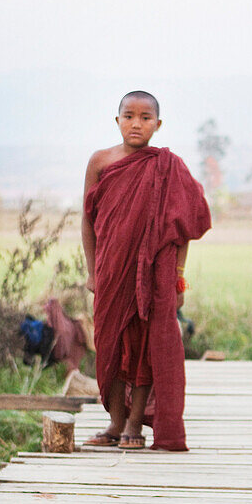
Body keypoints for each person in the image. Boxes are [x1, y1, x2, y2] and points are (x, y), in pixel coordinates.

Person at [82, 90, 211, 451]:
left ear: (158, 124)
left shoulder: (168, 166)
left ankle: (134, 426)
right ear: (117, 119)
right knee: (109, 345)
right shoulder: (100, 162)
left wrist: (178, 277)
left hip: (153, 277)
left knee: (143, 349)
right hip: (111, 271)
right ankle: (114, 423)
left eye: (144, 117)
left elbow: (188, 225)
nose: (136, 124)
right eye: (128, 116)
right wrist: (92, 271)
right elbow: (87, 220)